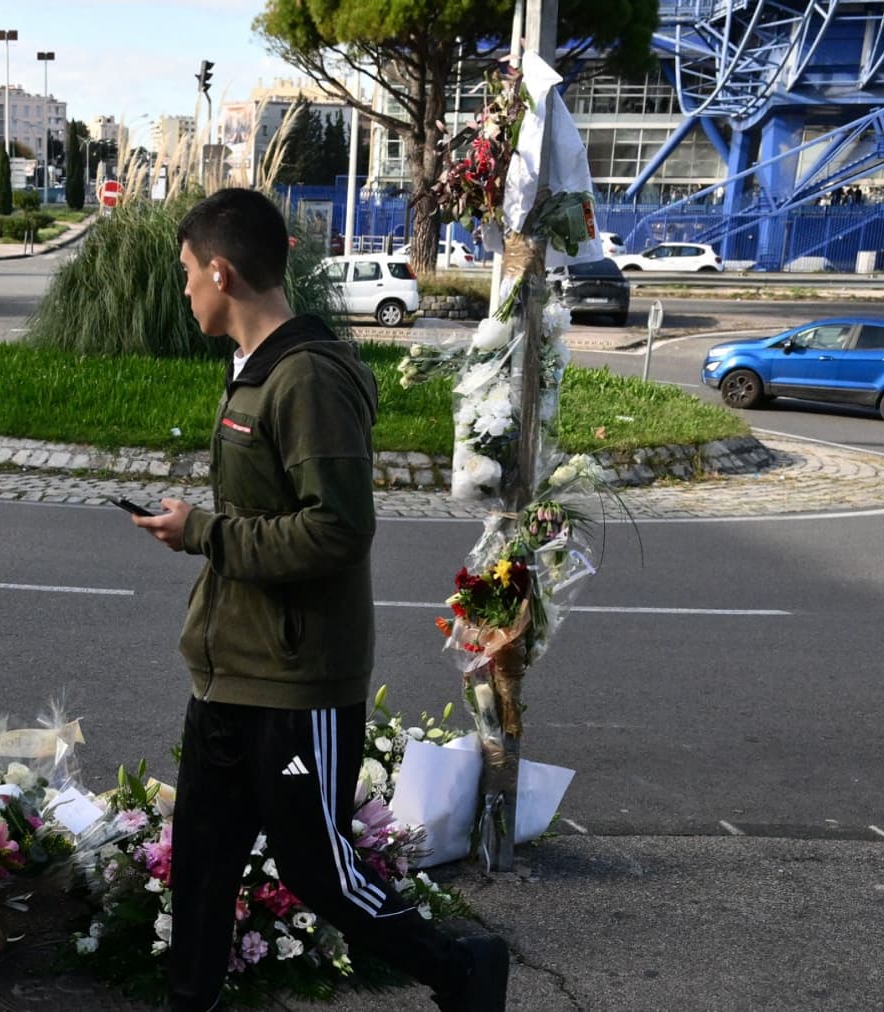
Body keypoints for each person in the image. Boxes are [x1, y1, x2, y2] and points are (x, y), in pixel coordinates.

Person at [127, 187, 509, 1012]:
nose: (184, 287)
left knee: (313, 865)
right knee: (199, 859)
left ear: (220, 273)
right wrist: (203, 532)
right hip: (229, 671)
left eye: (188, 272)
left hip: (296, 687)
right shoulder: (258, 370)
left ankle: (458, 967)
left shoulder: (307, 380)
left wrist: (203, 533)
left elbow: (336, 532)